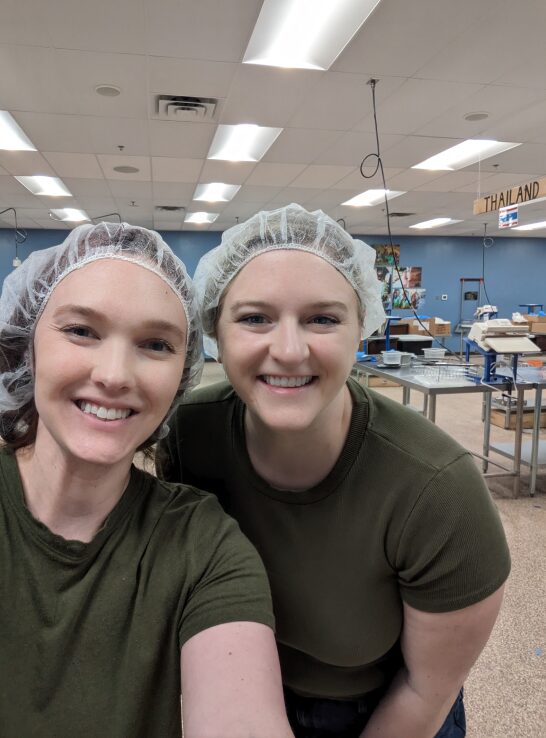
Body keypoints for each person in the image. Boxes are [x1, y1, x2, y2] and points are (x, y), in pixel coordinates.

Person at [157, 203, 511, 738]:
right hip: (242, 693)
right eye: (255, 318)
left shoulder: (436, 489)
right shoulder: (188, 436)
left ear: (361, 328)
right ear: (214, 331)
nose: (290, 350)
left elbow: (425, 691)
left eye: (322, 318)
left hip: (387, 710)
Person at [0, 222, 294, 738]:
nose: (115, 375)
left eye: (155, 344)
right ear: (27, 345)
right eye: (81, 331)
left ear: (182, 375)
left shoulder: (202, 546)